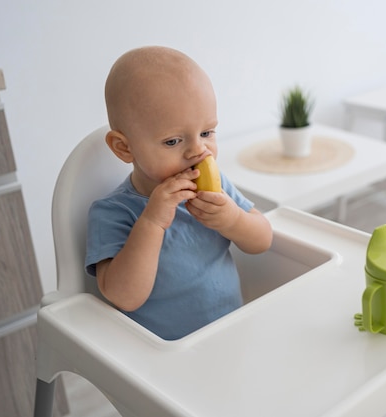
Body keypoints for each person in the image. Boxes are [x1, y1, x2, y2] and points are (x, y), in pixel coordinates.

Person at [85, 46, 273, 340]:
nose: (198, 150)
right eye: (173, 141)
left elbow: (263, 240)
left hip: (234, 333)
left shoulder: (215, 187)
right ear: (125, 147)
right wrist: (152, 222)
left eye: (207, 133)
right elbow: (124, 297)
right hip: (164, 359)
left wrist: (232, 220)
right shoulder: (114, 212)